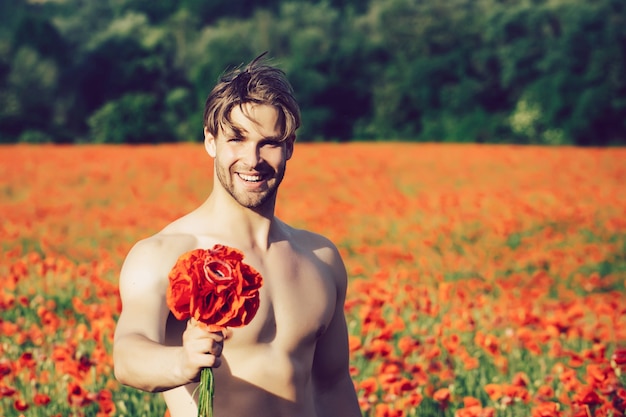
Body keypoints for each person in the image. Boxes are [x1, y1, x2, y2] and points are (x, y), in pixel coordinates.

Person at [113, 53, 362, 417]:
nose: (252, 158)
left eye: (270, 142)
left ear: (289, 147)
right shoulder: (163, 253)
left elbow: (333, 386)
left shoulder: (321, 258)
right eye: (237, 139)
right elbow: (128, 355)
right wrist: (183, 361)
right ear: (211, 142)